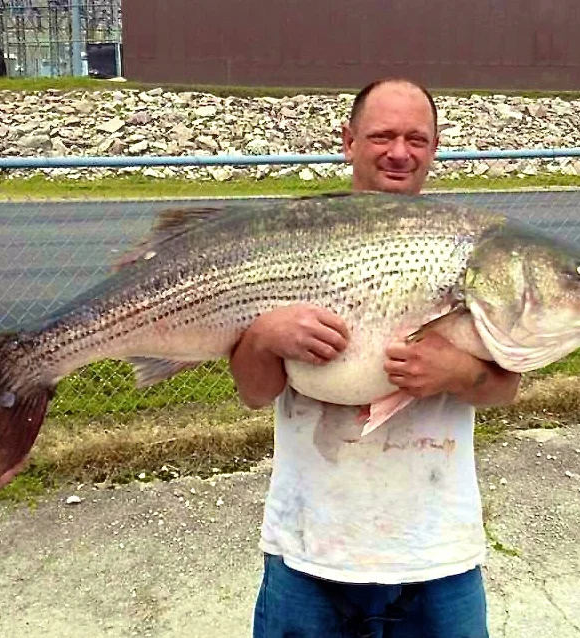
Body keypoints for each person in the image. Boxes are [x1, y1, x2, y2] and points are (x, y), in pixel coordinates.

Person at [229, 78, 521, 638]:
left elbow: (505, 388)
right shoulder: (293, 239)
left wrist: (457, 371)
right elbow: (254, 393)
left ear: (434, 147)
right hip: (309, 550)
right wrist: (264, 335)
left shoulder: (467, 248)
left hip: (437, 554)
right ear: (348, 141)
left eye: (417, 138)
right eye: (383, 136)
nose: (399, 152)